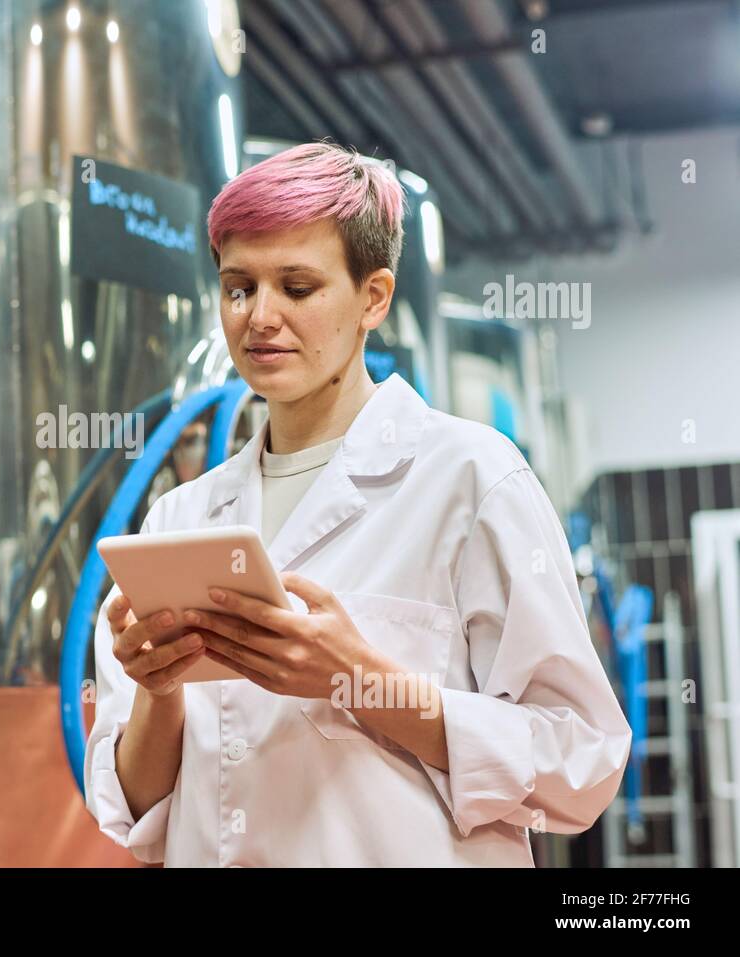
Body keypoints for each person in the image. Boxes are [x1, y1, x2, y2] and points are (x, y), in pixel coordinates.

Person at [85, 142, 631, 867]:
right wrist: (159, 693)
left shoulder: (470, 480)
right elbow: (135, 810)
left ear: (373, 297)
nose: (258, 318)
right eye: (239, 286)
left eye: (298, 287)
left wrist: (360, 680)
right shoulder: (179, 522)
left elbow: (583, 762)